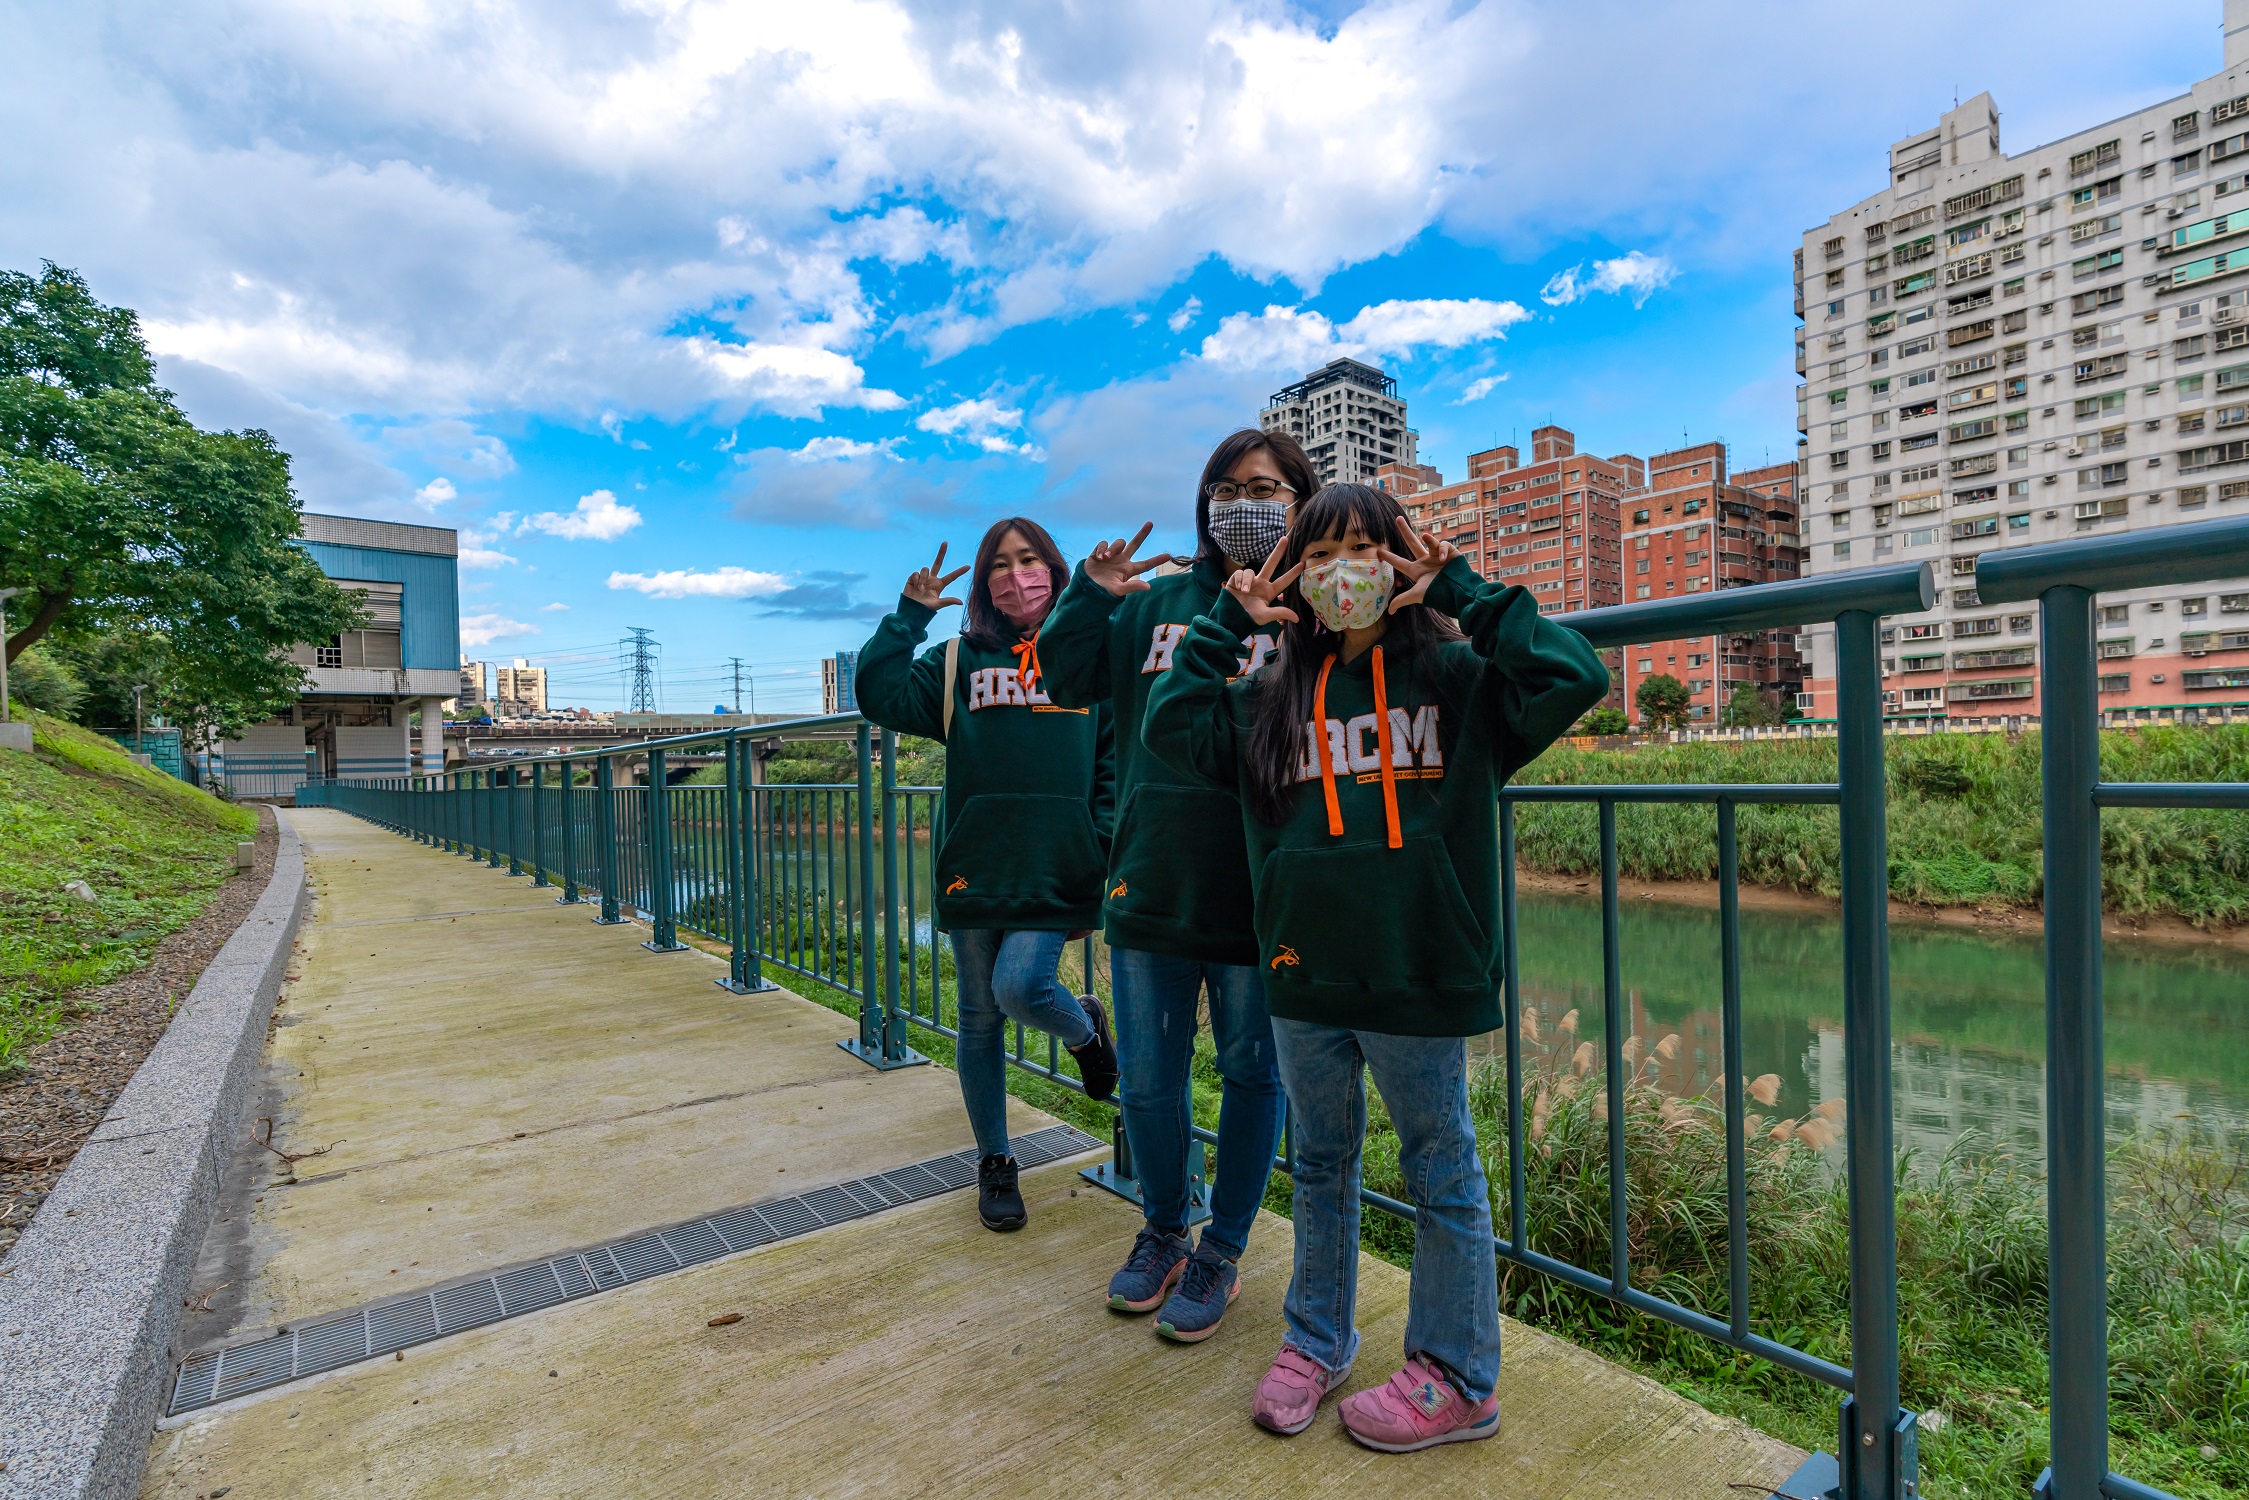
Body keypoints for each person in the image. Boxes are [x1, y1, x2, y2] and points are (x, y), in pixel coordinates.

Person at [1142, 482, 1607, 1451]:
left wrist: (1463, 589)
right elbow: (1166, 728)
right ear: (1296, 578)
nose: (1341, 570)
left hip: (1417, 967)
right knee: (1317, 1162)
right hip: (1304, 971)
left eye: (1365, 547)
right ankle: (1315, 1340)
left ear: (1398, 560)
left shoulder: (1458, 679)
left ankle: (1455, 1375)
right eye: (1319, 555)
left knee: (1441, 1169)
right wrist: (1227, 619)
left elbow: (1573, 677)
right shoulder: (1268, 698)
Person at [1036, 429, 1312, 1343]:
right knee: (1150, 1082)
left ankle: (1221, 1250)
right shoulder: (1155, 603)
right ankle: (1161, 1228)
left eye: (1266, 487)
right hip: (1152, 876)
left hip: (1257, 883)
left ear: (1299, 501)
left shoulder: (1314, 608)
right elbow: (1067, 678)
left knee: (1249, 1072)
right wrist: (1088, 593)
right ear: (1203, 504)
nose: (1246, 502)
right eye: (1227, 488)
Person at [855, 517, 1121, 1233]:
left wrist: (1092, 854)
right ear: (983, 583)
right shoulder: (954, 662)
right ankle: (996, 1160)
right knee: (977, 1020)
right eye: (998, 565)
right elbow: (877, 693)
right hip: (975, 862)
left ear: (1054, 569)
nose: (1014, 575)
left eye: (1028, 559)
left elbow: (1110, 772)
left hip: (1054, 862)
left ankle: (1083, 1033)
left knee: (1021, 987)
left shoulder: (1091, 661)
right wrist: (908, 615)